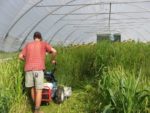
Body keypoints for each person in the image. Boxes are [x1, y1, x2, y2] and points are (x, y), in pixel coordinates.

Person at [19, 31, 57, 113]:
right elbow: (54, 51)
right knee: (39, 90)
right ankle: (37, 111)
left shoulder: (28, 45)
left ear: (34, 38)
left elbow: (20, 56)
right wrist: (53, 60)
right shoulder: (43, 43)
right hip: (38, 69)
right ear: (40, 38)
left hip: (28, 69)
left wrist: (27, 61)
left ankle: (34, 108)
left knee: (32, 89)